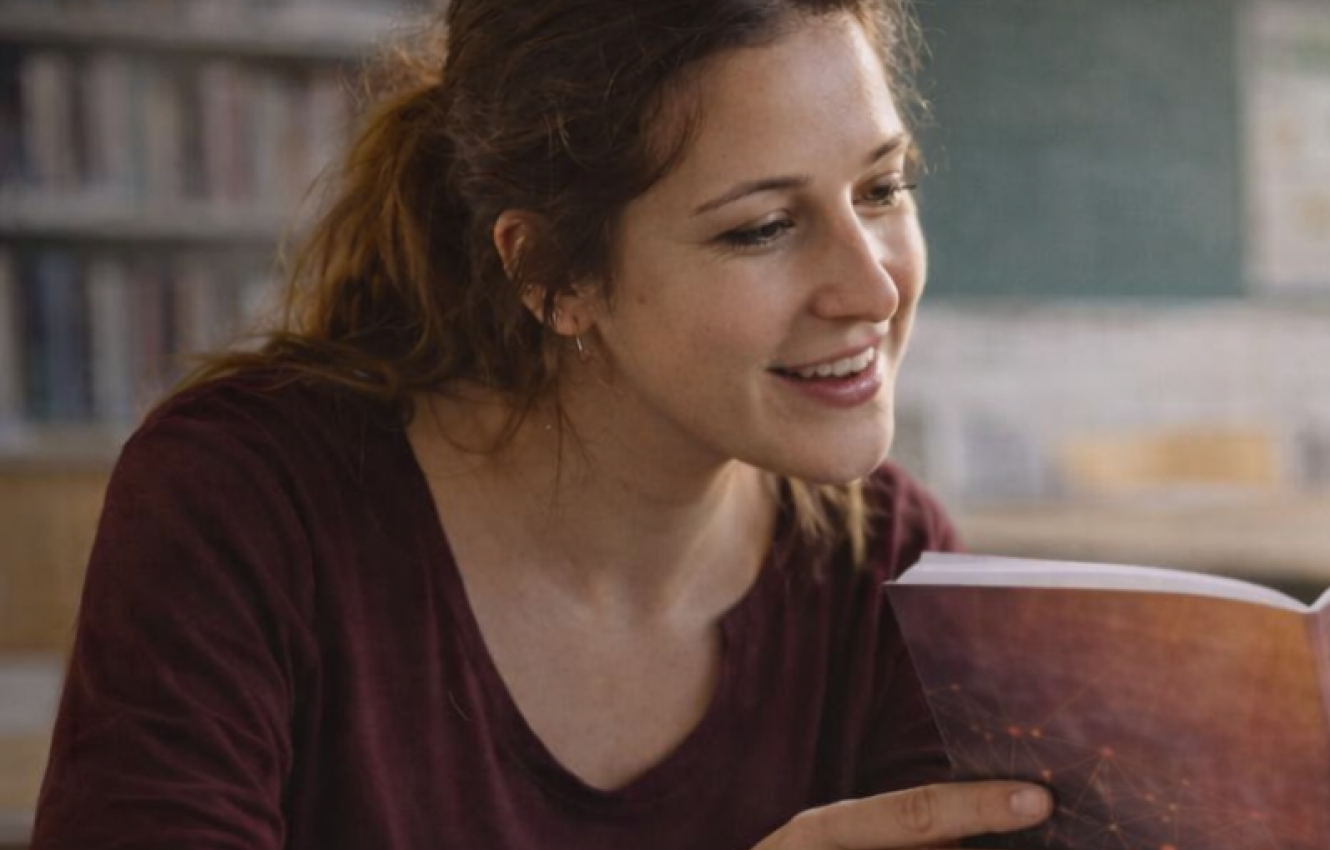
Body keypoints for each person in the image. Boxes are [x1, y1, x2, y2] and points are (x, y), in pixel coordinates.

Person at [31, 2, 1053, 848]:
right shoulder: (244, 502)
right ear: (551, 274)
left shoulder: (890, 562)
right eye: (763, 227)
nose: (872, 286)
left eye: (882, 187)